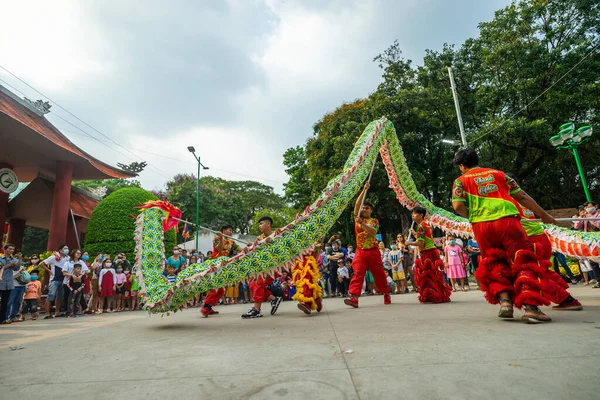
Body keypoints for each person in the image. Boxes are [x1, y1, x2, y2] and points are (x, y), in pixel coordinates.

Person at [451, 148, 557, 323]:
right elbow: (521, 196)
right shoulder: (499, 174)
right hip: (508, 222)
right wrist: (543, 214)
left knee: (494, 262)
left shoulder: (460, 181)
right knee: (522, 260)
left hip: (482, 226)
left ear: (462, 166)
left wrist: (473, 216)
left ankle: (505, 302)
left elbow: (457, 206)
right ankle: (531, 308)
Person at [344, 183, 391, 308]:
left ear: (371, 210)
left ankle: (386, 292)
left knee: (379, 273)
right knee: (358, 273)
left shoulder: (374, 221)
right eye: (363, 208)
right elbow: (357, 205)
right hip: (360, 251)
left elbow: (373, 232)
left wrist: (363, 224)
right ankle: (354, 298)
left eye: (367, 208)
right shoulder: (357, 218)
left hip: (373, 251)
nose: (364, 209)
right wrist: (364, 190)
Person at [406, 207, 451, 303]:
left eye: (414, 214)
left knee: (427, 275)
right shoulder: (424, 225)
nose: (413, 216)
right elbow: (424, 239)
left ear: (421, 215)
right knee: (434, 274)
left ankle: (432, 296)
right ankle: (441, 294)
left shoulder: (421, 226)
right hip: (431, 251)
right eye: (412, 214)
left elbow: (421, 243)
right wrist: (415, 233)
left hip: (427, 253)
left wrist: (408, 243)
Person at [242, 216, 284, 318]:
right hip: (263, 267)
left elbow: (279, 251)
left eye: (261, 224)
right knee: (252, 284)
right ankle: (274, 299)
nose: (259, 226)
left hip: (274, 267)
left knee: (257, 282)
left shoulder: (277, 235)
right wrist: (252, 246)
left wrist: (265, 243)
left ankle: (257, 310)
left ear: (268, 224)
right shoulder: (259, 237)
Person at [200, 225, 241, 317]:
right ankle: (205, 307)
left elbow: (239, 249)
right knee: (216, 287)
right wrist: (222, 238)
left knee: (221, 289)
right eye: (229, 230)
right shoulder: (217, 238)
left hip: (224, 265)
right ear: (224, 230)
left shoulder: (231, 241)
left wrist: (250, 247)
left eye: (232, 230)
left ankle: (209, 307)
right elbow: (218, 249)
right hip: (215, 264)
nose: (231, 232)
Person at [573, 201, 600, 288]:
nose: (587, 209)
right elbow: (576, 227)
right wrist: (581, 217)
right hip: (590, 242)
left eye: (589, 207)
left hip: (598, 240)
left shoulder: (598, 215)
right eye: (586, 208)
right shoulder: (585, 217)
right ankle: (599, 281)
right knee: (593, 262)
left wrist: (591, 218)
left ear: (595, 206)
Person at [39, 244, 71, 319]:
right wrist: (49, 270)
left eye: (67, 248)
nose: (67, 250)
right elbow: (41, 264)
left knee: (60, 296)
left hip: (63, 279)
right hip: (54, 279)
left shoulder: (68, 258)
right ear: (60, 250)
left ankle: (57, 312)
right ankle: (47, 313)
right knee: (51, 295)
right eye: (65, 248)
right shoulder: (53, 257)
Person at [0, 244, 21, 324]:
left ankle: (3, 319)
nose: (11, 251)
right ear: (4, 249)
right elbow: (1, 268)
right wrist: (8, 265)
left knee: (5, 302)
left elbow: (17, 268)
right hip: (1, 281)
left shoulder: (14, 259)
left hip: (8, 283)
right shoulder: (0, 258)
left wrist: (19, 260)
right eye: (10, 249)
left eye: (12, 249)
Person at [7, 254, 27, 322]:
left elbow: (26, 278)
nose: (19, 260)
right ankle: (7, 317)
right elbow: (11, 277)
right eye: (17, 258)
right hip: (13, 286)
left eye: (20, 258)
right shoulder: (10, 267)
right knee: (11, 301)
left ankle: (13, 316)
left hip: (21, 286)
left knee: (18, 302)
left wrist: (26, 287)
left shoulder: (22, 267)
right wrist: (19, 272)